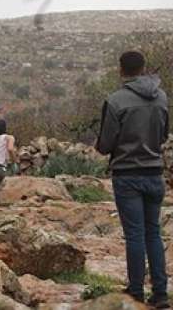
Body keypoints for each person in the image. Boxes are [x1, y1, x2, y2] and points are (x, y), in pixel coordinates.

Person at [95, 51, 168, 308]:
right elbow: (163, 135)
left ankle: (135, 292)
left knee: (135, 234)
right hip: (155, 173)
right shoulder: (162, 98)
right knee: (154, 233)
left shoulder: (115, 101)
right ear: (144, 68)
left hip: (127, 175)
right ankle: (160, 293)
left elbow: (105, 145)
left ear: (120, 70)